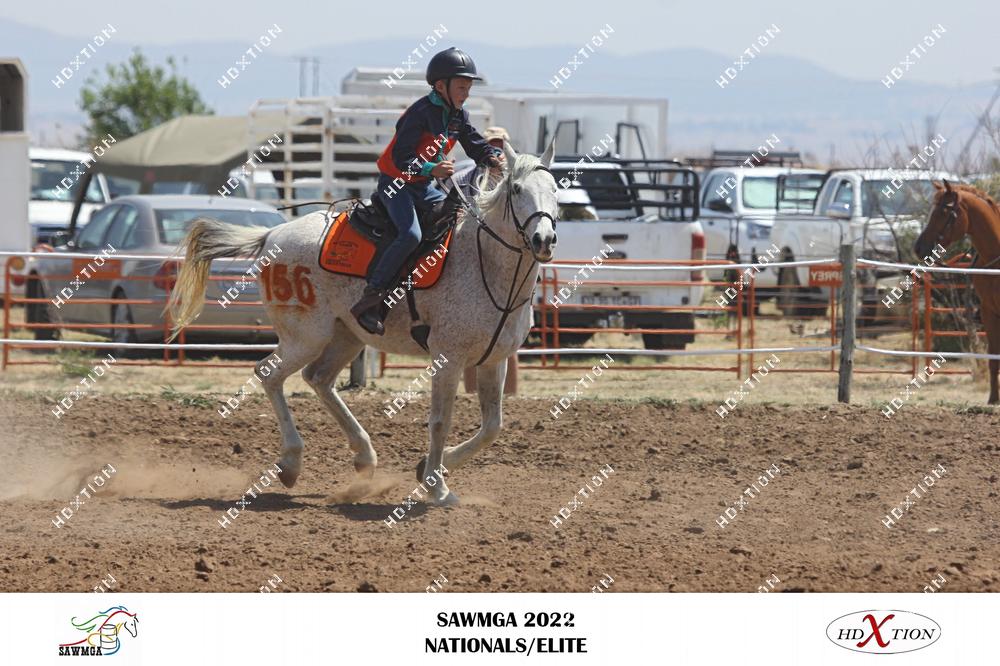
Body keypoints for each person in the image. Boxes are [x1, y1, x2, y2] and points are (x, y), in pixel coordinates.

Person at [350, 48, 505, 335]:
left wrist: (494, 158)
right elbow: (401, 159)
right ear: (441, 86)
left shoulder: (458, 116)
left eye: (468, 88)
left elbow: (475, 145)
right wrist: (432, 169)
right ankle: (370, 300)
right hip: (396, 184)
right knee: (411, 235)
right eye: (462, 87)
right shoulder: (418, 113)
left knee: (458, 220)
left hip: (421, 188)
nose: (466, 93)